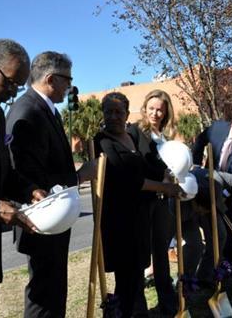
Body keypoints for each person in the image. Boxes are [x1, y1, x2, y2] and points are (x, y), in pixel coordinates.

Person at [6, 52, 96, 317]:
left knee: (55, 291)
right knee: (44, 297)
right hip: (41, 221)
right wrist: (79, 177)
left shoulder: (46, 109)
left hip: (54, 222)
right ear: (51, 79)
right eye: (68, 80)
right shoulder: (28, 111)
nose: (70, 86)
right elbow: (24, 175)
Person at [0, 39, 46, 317]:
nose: (13, 94)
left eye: (19, 87)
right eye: (11, 83)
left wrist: (30, 190)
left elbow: (2, 171)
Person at [94, 92, 182, 317]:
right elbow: (129, 181)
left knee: (134, 277)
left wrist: (165, 174)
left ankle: (138, 312)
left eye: (118, 112)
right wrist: (165, 188)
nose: (113, 116)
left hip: (139, 217)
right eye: (108, 112)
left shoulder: (130, 138)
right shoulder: (102, 140)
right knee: (125, 278)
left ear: (126, 113)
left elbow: (144, 166)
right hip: (119, 220)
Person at [126, 89, 177, 316]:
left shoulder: (164, 136)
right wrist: (162, 176)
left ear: (166, 113)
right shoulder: (135, 133)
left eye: (160, 110)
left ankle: (168, 302)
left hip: (161, 203)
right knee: (140, 257)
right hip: (142, 203)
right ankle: (139, 309)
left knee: (161, 254)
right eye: (152, 109)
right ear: (145, 108)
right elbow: (136, 169)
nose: (155, 113)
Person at [192, 114, 232, 266]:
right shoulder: (217, 129)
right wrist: (196, 165)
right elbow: (200, 141)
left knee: (229, 217)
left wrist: (224, 195)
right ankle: (222, 258)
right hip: (212, 177)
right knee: (217, 223)